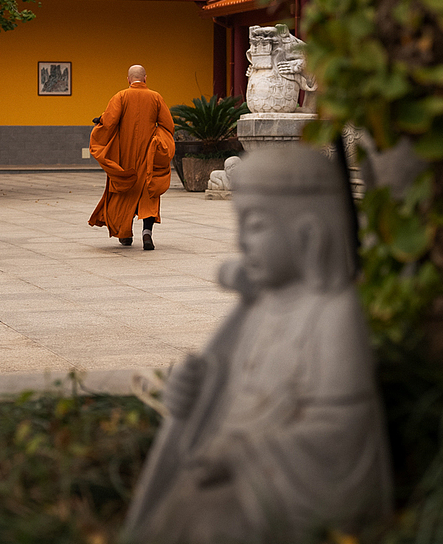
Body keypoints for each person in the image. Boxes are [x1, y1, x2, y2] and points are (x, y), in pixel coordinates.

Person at [122, 147, 392, 544]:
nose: (241, 241)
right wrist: (193, 394)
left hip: (290, 484)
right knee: (179, 515)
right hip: (235, 470)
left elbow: (343, 430)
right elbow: (233, 388)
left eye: (257, 225)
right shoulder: (262, 306)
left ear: (309, 233)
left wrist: (240, 455)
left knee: (206, 524)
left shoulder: (334, 312)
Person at [88, 65, 175, 250]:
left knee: (124, 192)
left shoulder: (120, 96)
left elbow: (109, 121)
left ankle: (125, 234)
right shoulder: (156, 97)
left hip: (124, 157)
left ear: (128, 80)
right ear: (145, 79)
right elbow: (168, 125)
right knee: (148, 192)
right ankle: (147, 233)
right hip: (148, 156)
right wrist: (159, 141)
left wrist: (100, 121)